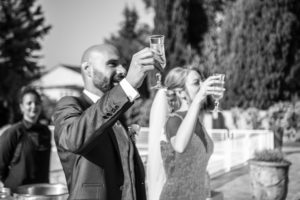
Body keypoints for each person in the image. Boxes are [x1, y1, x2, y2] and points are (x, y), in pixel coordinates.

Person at [53, 44, 154, 200]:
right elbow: (73, 139)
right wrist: (127, 87)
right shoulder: (69, 105)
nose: (122, 70)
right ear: (88, 69)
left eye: (122, 64)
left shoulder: (119, 110)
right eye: (112, 64)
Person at [147, 67, 225, 200]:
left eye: (202, 81)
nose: (202, 86)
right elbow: (180, 146)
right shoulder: (174, 120)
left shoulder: (197, 121)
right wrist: (199, 98)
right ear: (181, 92)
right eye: (196, 83)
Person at [0, 87, 51, 192]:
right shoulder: (13, 133)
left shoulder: (46, 132)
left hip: (42, 193)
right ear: (21, 107)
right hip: (18, 194)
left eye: (37, 103)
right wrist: (11, 186)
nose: (33, 106)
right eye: (29, 103)